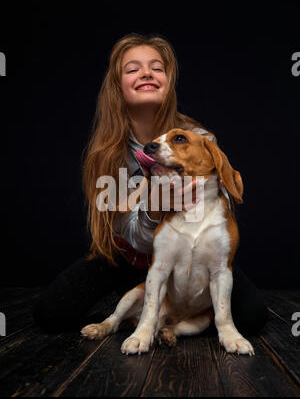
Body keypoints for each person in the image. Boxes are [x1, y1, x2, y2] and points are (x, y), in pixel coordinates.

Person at [33, 33, 268, 336]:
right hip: (128, 255)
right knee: (50, 314)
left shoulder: (200, 138)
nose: (146, 73)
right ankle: (129, 311)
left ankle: (178, 318)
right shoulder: (105, 154)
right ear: (118, 86)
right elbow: (131, 231)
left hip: (190, 254)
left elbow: (218, 211)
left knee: (253, 316)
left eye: (157, 68)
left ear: (169, 81)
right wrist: (155, 205)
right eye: (132, 69)